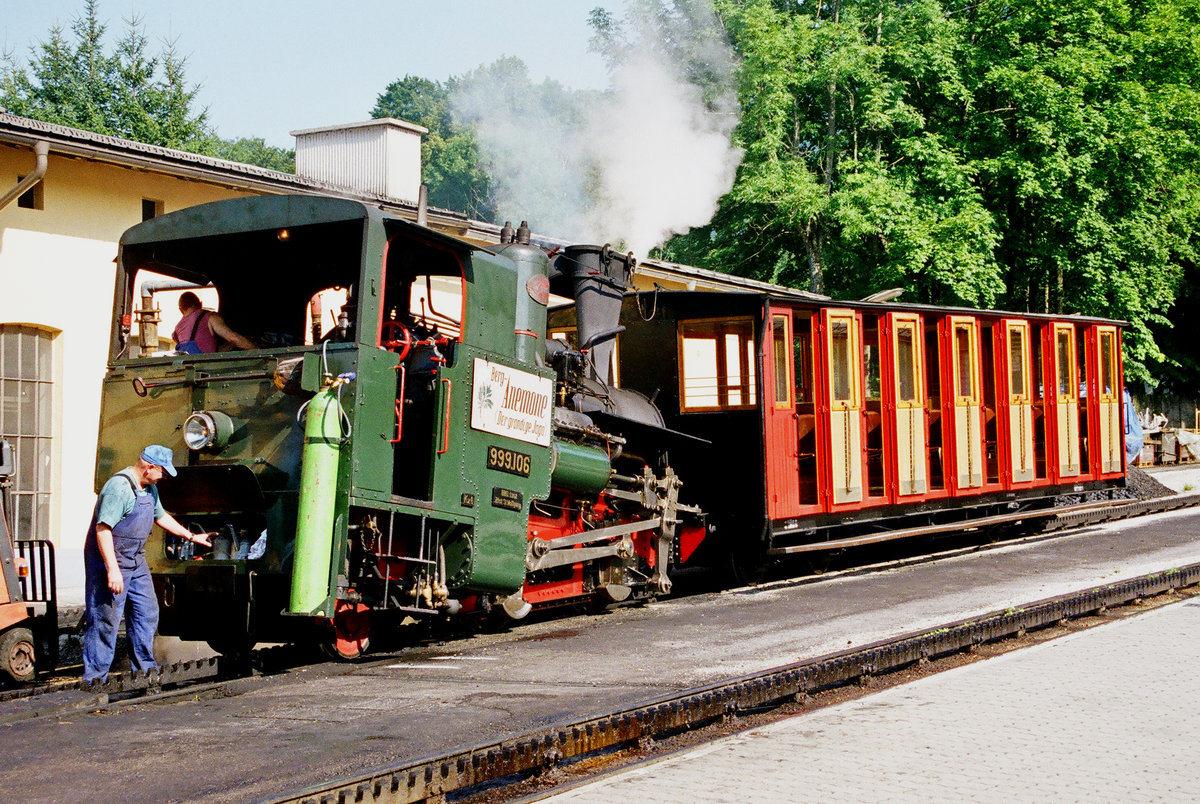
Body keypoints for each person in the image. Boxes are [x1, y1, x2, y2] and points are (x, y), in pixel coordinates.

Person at [82, 445, 213, 683]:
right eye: (162, 471)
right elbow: (103, 530)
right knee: (105, 619)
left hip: (135, 559)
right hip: (110, 559)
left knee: (147, 613)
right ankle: (94, 679)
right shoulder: (118, 489)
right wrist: (112, 570)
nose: (164, 477)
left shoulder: (149, 489)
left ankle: (145, 673)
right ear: (149, 467)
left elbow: (161, 516)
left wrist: (192, 537)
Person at [173, 291, 256, 353]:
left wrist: (231, 345)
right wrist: (260, 352)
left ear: (181, 309)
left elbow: (207, 352)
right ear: (200, 304)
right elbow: (233, 337)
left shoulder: (176, 331)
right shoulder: (209, 317)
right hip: (206, 371)